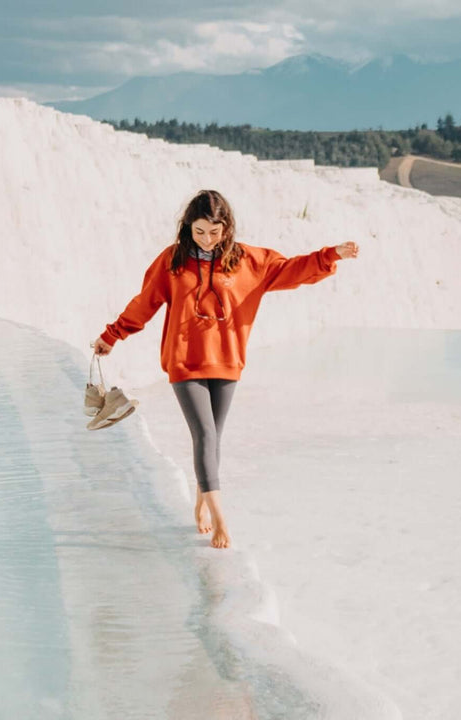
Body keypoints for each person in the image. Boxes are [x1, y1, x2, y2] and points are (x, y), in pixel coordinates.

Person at [93, 189, 359, 549]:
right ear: (188, 227)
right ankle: (220, 518)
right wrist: (113, 335)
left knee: (214, 438)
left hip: (227, 361)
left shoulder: (248, 261)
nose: (206, 239)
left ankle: (202, 503)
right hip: (184, 361)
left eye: (214, 232)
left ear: (226, 228)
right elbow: (145, 303)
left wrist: (331, 255)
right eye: (199, 231)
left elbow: (292, 270)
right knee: (204, 434)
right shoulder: (172, 262)